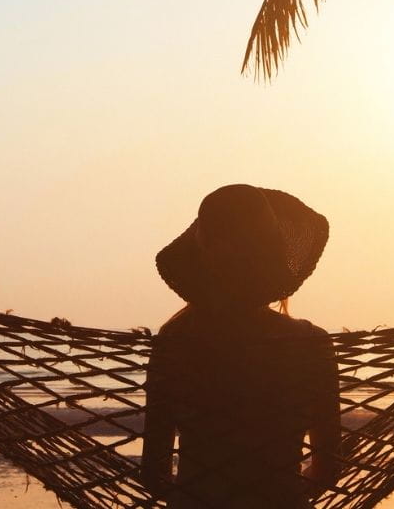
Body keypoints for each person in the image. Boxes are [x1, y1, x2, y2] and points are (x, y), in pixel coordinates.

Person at [142, 184, 341, 508]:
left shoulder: (174, 344)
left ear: (200, 257)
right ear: (273, 258)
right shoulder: (310, 345)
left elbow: (153, 473)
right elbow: (329, 467)